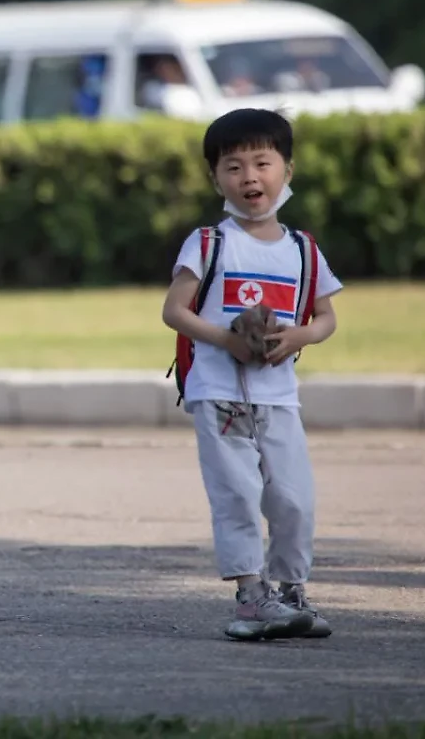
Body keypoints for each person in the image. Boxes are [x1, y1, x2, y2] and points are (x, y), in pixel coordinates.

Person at [161, 108, 342, 641]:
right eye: (233, 166)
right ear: (216, 178)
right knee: (237, 494)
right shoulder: (209, 243)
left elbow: (326, 317)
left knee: (294, 497)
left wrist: (299, 336)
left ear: (287, 169)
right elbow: (174, 311)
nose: (249, 177)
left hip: (279, 397)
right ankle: (250, 597)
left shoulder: (303, 250)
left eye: (263, 163)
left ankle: (291, 591)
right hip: (218, 394)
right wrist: (228, 341)